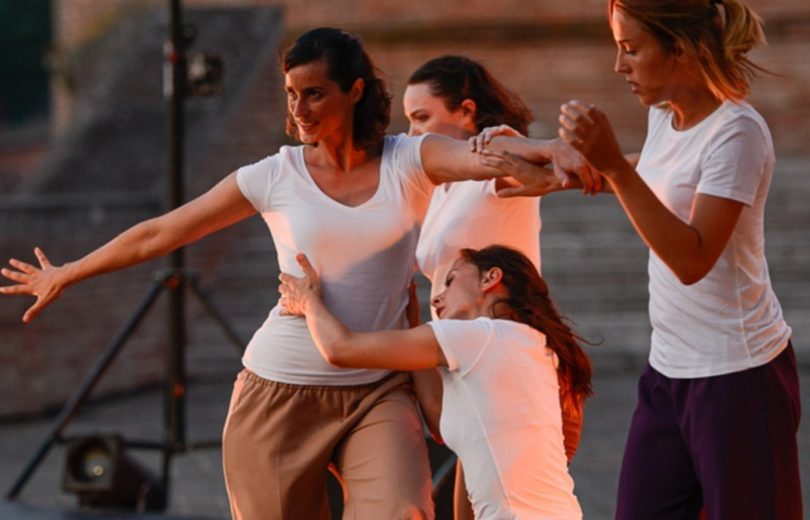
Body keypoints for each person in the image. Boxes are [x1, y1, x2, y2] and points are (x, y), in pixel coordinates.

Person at [0, 28, 567, 520]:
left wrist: (552, 155)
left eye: (314, 93)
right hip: (278, 392)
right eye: (292, 94)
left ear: (355, 91)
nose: (299, 108)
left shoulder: (408, 159)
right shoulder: (273, 175)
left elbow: (479, 159)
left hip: (378, 390)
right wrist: (68, 272)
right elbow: (161, 232)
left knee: (402, 510)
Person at [476, 1, 801, 518]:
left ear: (682, 48)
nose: (618, 65)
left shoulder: (738, 133)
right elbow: (657, 174)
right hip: (667, 372)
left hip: (738, 377)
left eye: (631, 49)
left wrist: (614, 166)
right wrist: (562, 179)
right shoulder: (665, 117)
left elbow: (692, 259)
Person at [403, 55, 588, 519]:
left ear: (466, 111)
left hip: (510, 368)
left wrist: (550, 147)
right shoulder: (444, 187)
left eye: (421, 117)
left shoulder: (493, 158)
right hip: (470, 369)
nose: (412, 133)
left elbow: (520, 152)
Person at [278, 245, 591, 520]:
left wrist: (308, 302)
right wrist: (412, 320)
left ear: (490, 278)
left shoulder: (478, 337)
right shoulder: (532, 345)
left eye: (451, 280)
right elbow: (442, 419)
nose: (438, 297)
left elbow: (341, 349)